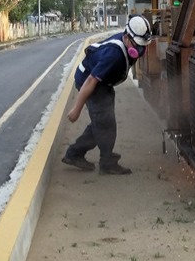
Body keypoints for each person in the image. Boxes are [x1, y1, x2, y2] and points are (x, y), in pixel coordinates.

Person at [62, 14, 153, 175]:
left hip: (103, 83)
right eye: (136, 45)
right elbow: (90, 81)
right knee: (105, 122)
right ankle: (106, 162)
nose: (139, 51)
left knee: (102, 121)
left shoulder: (133, 45)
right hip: (89, 82)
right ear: (126, 37)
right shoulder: (113, 54)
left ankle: (75, 154)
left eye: (141, 46)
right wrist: (76, 109)